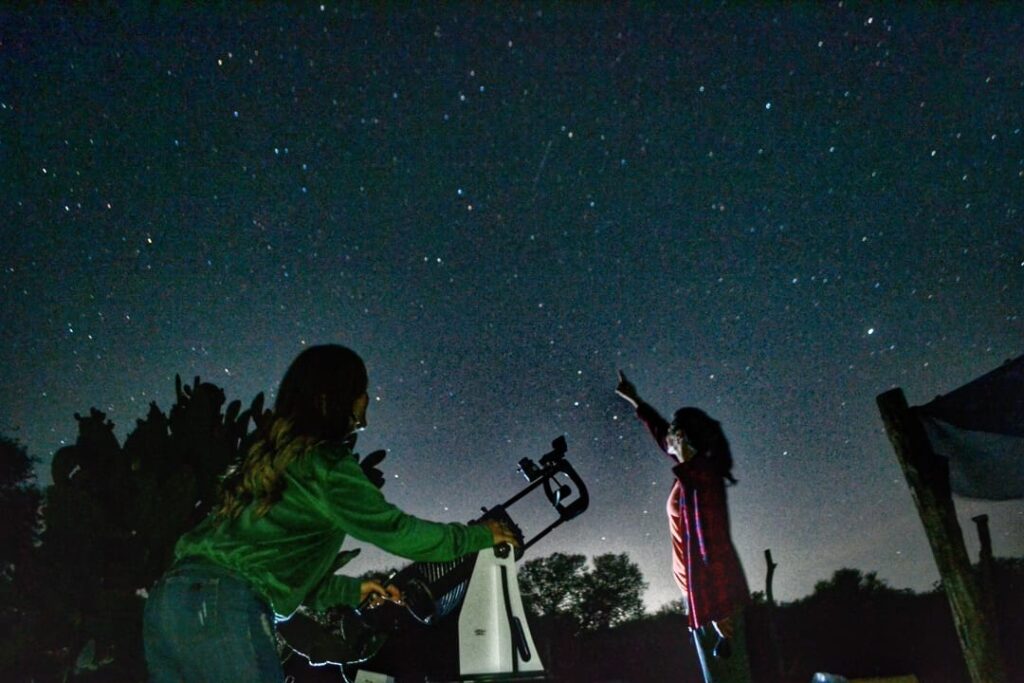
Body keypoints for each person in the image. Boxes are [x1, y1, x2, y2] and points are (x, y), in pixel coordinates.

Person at [143, 344, 517, 682]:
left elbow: (277, 565)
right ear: (336, 397)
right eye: (361, 394)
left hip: (168, 606)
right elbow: (397, 531)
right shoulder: (326, 463)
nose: (365, 411)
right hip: (224, 605)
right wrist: (481, 535)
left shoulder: (276, 459)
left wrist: (352, 590)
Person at [615, 370, 752, 683]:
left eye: (674, 431)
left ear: (684, 439)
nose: (668, 436)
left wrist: (718, 611)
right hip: (700, 596)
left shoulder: (700, 479)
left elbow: (710, 545)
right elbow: (662, 433)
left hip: (716, 601)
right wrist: (635, 399)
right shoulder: (692, 472)